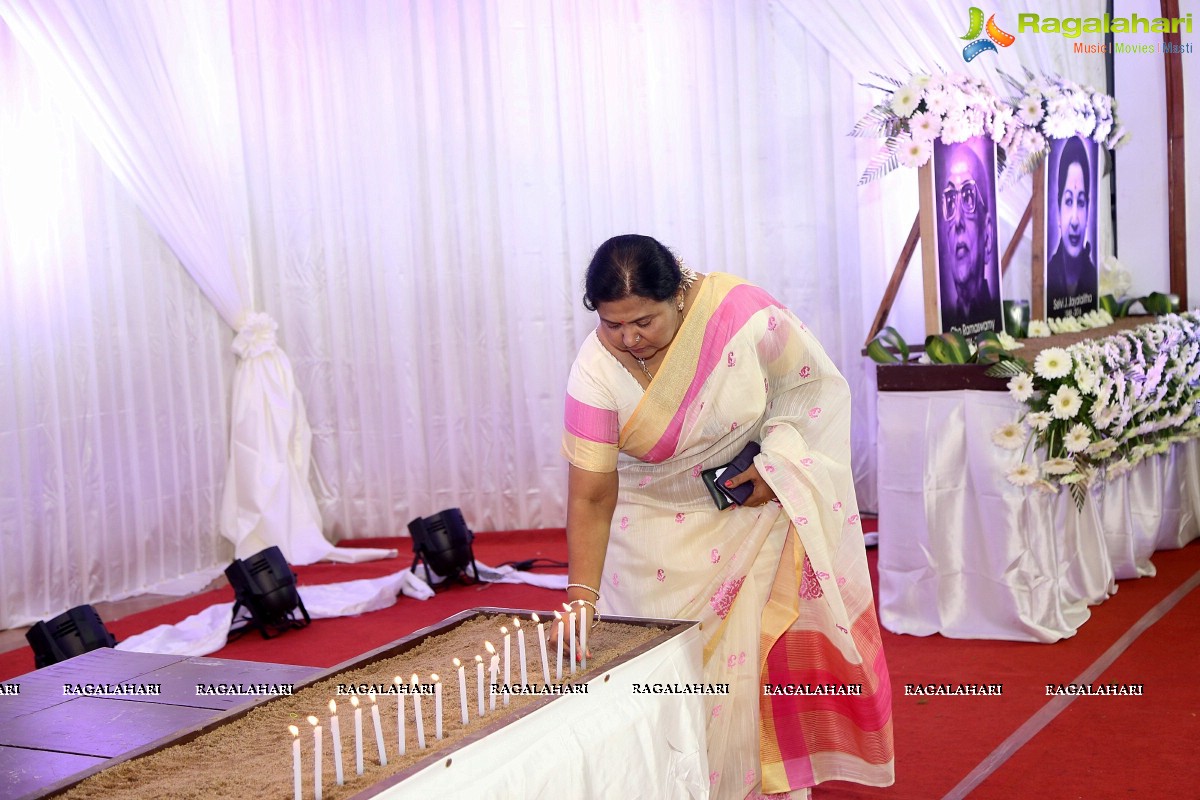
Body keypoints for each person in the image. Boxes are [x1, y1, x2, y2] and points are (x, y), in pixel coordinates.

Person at [561, 234, 894, 799]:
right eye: (612, 325)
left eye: (642, 321)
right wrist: (580, 595)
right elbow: (591, 497)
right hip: (649, 537)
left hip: (748, 521)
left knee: (737, 679)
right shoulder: (594, 371)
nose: (628, 338)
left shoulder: (740, 316)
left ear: (680, 297)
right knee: (663, 685)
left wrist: (778, 465)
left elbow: (813, 391)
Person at [937, 143, 1000, 335]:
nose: (957, 221)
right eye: (950, 200)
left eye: (968, 197)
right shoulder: (943, 323)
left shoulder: (995, 322)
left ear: (987, 235)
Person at [1045, 136, 1098, 318]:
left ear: (1088, 210)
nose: (1075, 220)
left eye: (1081, 202)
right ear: (1058, 210)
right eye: (1068, 201)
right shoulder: (1045, 278)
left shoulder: (1094, 278)